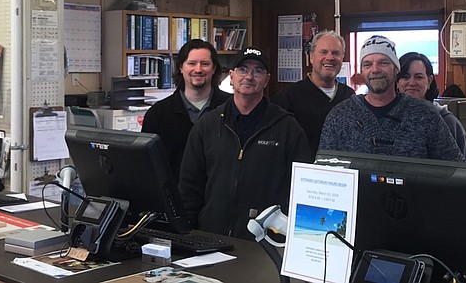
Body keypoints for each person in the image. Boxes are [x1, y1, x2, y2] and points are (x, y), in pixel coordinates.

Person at [179, 47, 312, 239]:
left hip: (265, 241)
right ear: (231, 76)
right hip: (210, 237)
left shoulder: (287, 128)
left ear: (266, 79)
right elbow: (189, 187)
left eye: (257, 71)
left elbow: (301, 188)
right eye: (242, 69)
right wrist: (189, 233)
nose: (249, 76)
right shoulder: (208, 124)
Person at [319, 35, 463, 161]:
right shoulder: (340, 115)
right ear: (362, 72)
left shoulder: (426, 115)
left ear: (396, 70)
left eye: (383, 63)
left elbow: (457, 169)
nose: (375, 69)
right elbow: (324, 173)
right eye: (367, 64)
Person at [142, 39, 231, 180]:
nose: (198, 69)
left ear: (214, 69)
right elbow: (148, 166)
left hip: (220, 197)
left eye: (205, 64)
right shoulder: (158, 114)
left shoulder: (231, 107)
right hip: (176, 197)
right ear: (181, 68)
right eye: (192, 63)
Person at [271, 30, 355, 157]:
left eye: (336, 53)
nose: (330, 57)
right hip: (301, 173)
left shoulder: (349, 96)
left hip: (341, 173)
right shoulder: (287, 98)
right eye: (323, 52)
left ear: (342, 58)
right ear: (311, 57)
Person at [397, 52, 466, 162]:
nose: (411, 82)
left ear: (429, 81)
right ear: (397, 82)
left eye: (418, 77)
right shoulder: (390, 118)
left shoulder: (447, 121)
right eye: (405, 77)